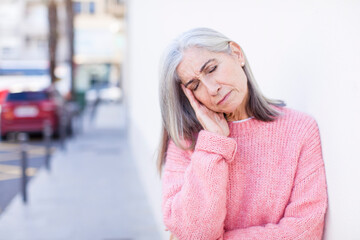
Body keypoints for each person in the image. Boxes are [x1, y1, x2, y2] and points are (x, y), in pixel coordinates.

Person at [158, 28, 328, 240]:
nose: (211, 89)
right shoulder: (187, 142)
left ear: (237, 53)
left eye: (211, 69)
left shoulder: (299, 129)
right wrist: (213, 145)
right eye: (195, 85)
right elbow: (195, 233)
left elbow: (305, 231)